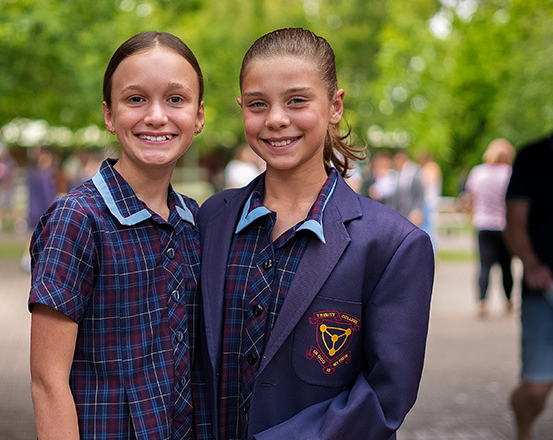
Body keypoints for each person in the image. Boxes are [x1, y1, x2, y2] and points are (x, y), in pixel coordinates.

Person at [197, 28, 435, 440]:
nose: (275, 118)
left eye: (297, 100)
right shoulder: (211, 220)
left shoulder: (394, 245)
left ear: (335, 106)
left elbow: (386, 396)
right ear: (241, 108)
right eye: (258, 104)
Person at [28, 31, 206, 439]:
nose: (156, 116)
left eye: (175, 99)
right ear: (109, 114)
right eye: (136, 99)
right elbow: (46, 381)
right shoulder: (77, 219)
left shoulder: (195, 221)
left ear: (198, 116)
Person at [505, 133, 553, 440]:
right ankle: (523, 428)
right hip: (544, 292)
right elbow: (514, 223)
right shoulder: (533, 156)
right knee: (536, 390)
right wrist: (532, 264)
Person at [463, 139, 515, 318]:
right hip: (504, 225)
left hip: (483, 223)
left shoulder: (478, 172)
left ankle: (482, 302)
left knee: (484, 265)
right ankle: (508, 300)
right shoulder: (509, 174)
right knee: (506, 266)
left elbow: (469, 197)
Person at [390, 149, 425, 228]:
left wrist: (417, 210)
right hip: (400, 211)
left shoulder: (414, 172)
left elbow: (420, 194)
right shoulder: (396, 174)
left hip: (412, 211)